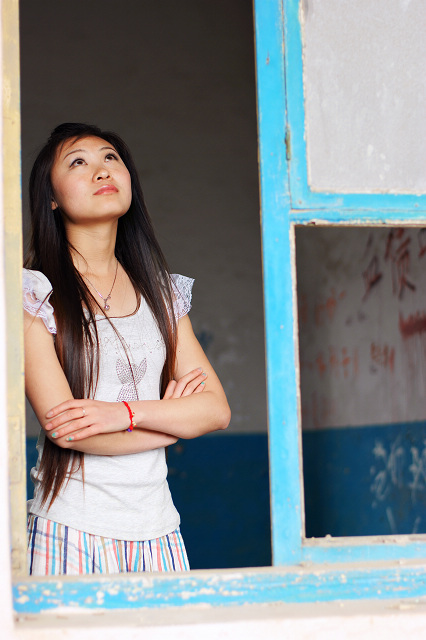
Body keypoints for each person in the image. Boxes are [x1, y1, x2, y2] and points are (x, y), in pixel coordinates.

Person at [23, 123, 231, 576]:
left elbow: (215, 410)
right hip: (70, 531)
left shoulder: (160, 293)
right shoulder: (35, 294)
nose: (101, 171)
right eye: (79, 162)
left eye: (110, 158)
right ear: (51, 197)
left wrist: (124, 414)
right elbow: (67, 430)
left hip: (159, 531)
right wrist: (170, 427)